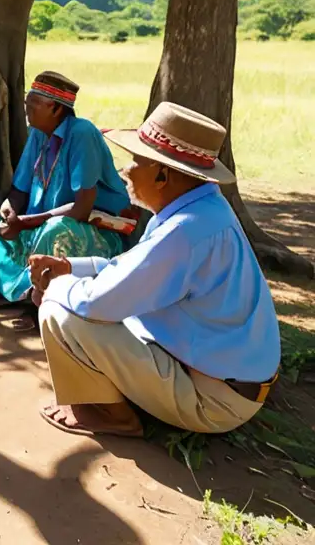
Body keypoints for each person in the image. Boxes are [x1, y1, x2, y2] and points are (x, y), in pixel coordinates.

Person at [31, 102, 280, 438]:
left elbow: (96, 304)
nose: (125, 171)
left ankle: (111, 414)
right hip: (229, 382)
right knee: (74, 297)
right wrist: (70, 266)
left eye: (136, 161)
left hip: (213, 402)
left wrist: (57, 284)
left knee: (59, 309)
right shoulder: (203, 210)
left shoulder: (185, 232)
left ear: (163, 175)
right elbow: (133, 271)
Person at [0, 72, 132, 326]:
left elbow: (82, 208)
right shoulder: (38, 133)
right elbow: (19, 190)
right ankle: (24, 291)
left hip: (91, 230)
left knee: (56, 229)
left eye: (33, 103)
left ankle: (39, 302)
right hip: (36, 227)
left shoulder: (82, 133)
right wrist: (10, 210)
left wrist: (26, 222)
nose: (27, 108)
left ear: (56, 108)